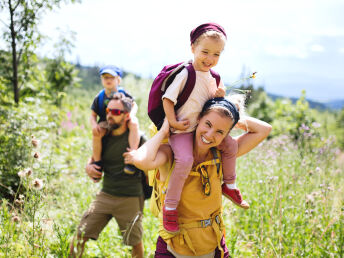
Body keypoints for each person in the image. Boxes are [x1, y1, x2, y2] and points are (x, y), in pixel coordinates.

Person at [124, 96, 272, 257]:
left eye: (219, 132)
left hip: (214, 245)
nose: (209, 135)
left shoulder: (221, 155)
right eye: (208, 124)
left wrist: (230, 116)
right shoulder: (171, 153)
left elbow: (264, 129)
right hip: (173, 247)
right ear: (198, 119)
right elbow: (143, 162)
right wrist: (165, 130)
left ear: (225, 135)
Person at [160, 22, 248, 233]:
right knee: (185, 160)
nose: (210, 59)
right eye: (205, 52)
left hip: (201, 128)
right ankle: (170, 206)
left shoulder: (214, 78)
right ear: (193, 48)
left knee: (230, 147)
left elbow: (211, 104)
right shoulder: (185, 73)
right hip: (182, 130)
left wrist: (219, 95)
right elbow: (168, 99)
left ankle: (229, 184)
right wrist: (172, 122)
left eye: (216, 54)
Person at [70, 93, 145, 258]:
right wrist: (88, 167)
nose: (110, 115)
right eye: (108, 110)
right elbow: (94, 159)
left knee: (135, 242)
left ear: (126, 116)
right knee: (79, 236)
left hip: (130, 197)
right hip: (106, 194)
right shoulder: (103, 136)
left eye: (116, 112)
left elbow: (149, 163)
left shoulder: (138, 137)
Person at [90, 65, 140, 175]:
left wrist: (131, 115)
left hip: (122, 121)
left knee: (134, 123)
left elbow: (134, 104)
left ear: (118, 80)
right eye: (105, 77)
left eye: (111, 77)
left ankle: (131, 157)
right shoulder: (100, 97)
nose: (108, 80)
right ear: (101, 80)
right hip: (106, 123)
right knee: (96, 133)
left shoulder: (124, 94)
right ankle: (97, 163)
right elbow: (93, 114)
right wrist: (94, 125)